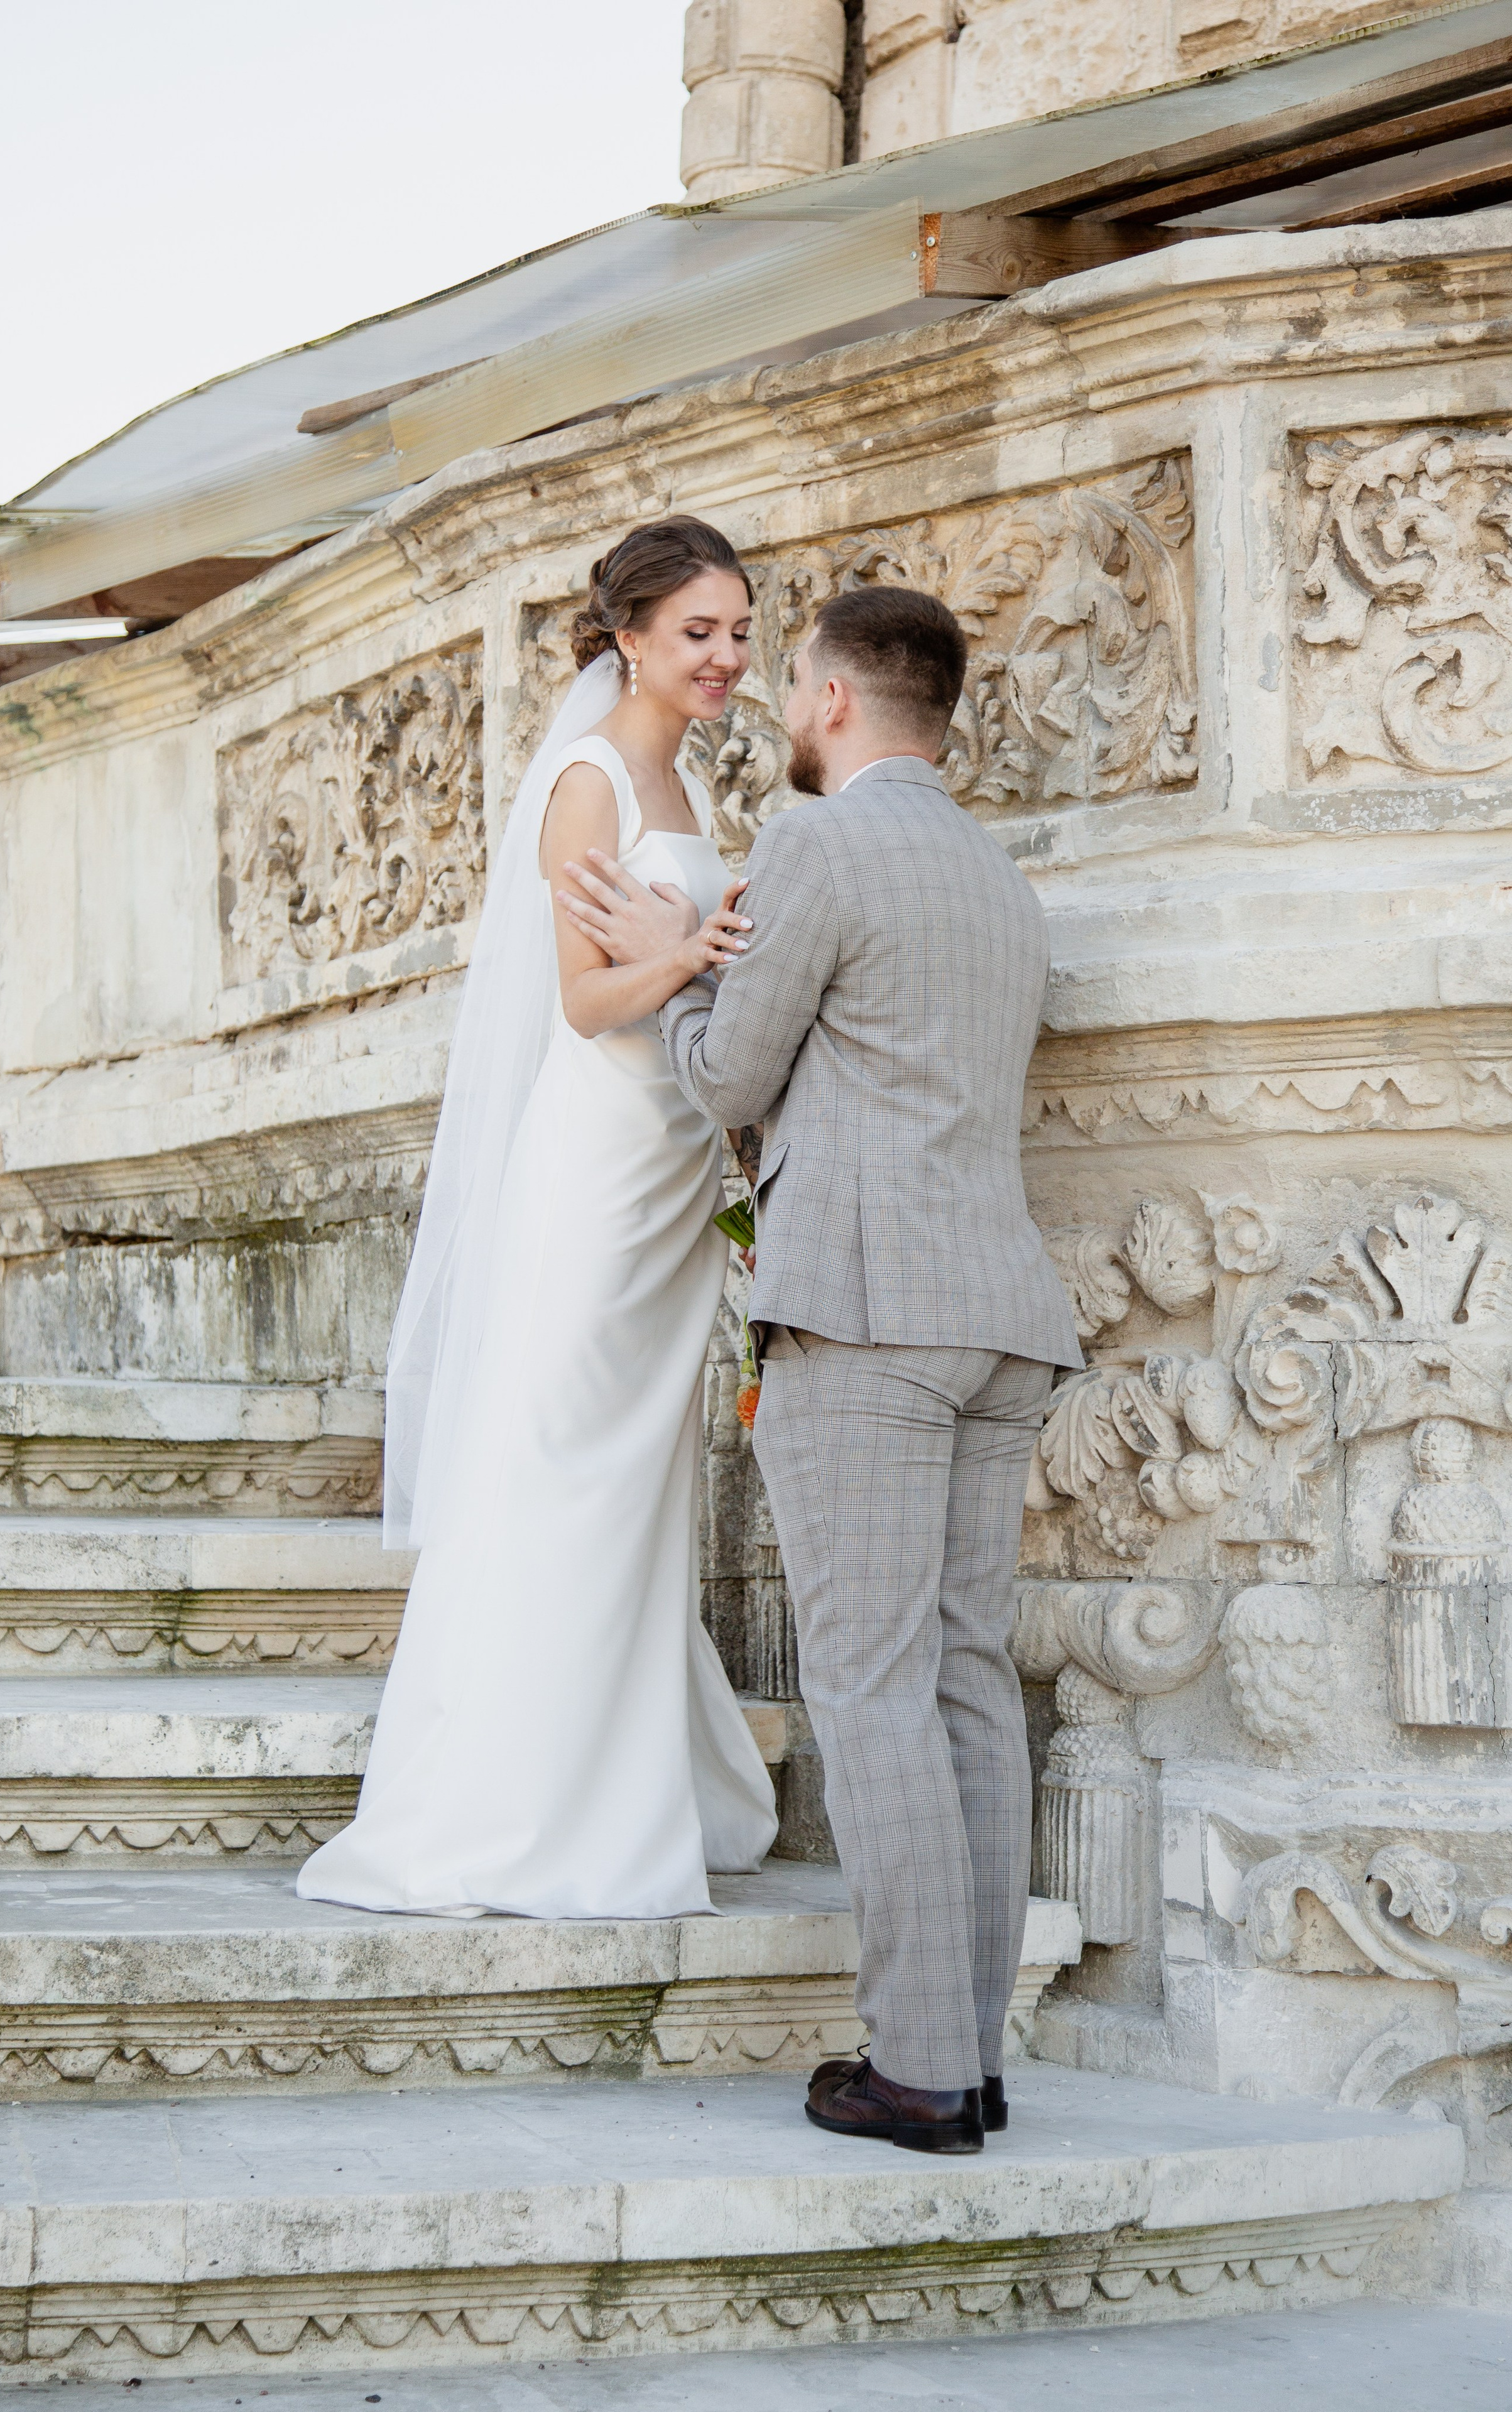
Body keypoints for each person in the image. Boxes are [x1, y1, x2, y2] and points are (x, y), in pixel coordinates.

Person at [558, 584, 1082, 2148]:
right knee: (967, 1683)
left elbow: (726, 1070)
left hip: (862, 1314)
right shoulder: (998, 875)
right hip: (1000, 1315)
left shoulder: (815, 843)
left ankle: (917, 2067)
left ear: (840, 699)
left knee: (866, 1686)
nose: (780, 705)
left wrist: (673, 955)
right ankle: (968, 2054)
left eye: (790, 679)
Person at [297, 517, 778, 1921]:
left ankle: (627, 1781)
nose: (726, 657)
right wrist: (696, 952)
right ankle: (511, 1807)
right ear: (627, 635)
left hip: (667, 1177)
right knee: (558, 1458)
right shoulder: (586, 780)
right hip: (596, 1168)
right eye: (699, 631)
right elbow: (584, 999)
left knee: (631, 1481)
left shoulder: (676, 779)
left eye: (741, 631)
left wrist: (708, 946)